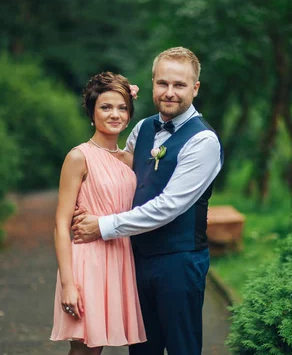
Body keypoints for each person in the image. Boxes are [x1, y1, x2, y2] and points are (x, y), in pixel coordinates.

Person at [72, 47, 223, 355]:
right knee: (142, 349)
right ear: (152, 83)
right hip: (136, 259)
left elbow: (168, 206)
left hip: (179, 262)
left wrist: (102, 226)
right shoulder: (141, 129)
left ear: (195, 88)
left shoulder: (203, 141)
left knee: (182, 348)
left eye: (179, 85)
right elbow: (117, 169)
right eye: (163, 83)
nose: (169, 93)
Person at [50, 72, 146, 354]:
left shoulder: (130, 160)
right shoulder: (79, 157)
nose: (115, 114)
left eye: (122, 107)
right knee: (84, 349)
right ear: (92, 113)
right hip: (88, 261)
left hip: (120, 258)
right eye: (106, 107)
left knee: (99, 345)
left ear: (129, 114)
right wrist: (68, 283)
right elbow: (60, 222)